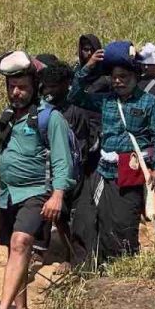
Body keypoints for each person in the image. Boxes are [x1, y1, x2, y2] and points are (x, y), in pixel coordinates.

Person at [0, 51, 74, 309]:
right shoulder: (8, 116)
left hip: (37, 191)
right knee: (16, 250)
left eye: (23, 87)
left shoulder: (51, 118)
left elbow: (63, 160)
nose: (16, 92)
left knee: (20, 241)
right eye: (12, 86)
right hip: (8, 194)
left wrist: (57, 195)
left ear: (35, 87)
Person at [68, 41, 155, 266]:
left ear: (135, 76)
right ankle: (97, 267)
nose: (118, 81)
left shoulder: (149, 103)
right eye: (114, 77)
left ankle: (125, 267)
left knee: (123, 224)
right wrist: (89, 66)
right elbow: (75, 96)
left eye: (123, 76)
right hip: (104, 172)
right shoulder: (107, 101)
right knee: (92, 221)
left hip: (130, 174)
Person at [37, 59, 93, 273]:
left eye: (54, 86)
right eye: (47, 86)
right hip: (48, 172)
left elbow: (79, 149)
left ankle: (75, 258)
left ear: (66, 85)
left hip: (73, 174)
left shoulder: (75, 113)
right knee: (58, 218)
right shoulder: (43, 112)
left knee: (76, 218)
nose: (49, 90)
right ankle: (67, 254)